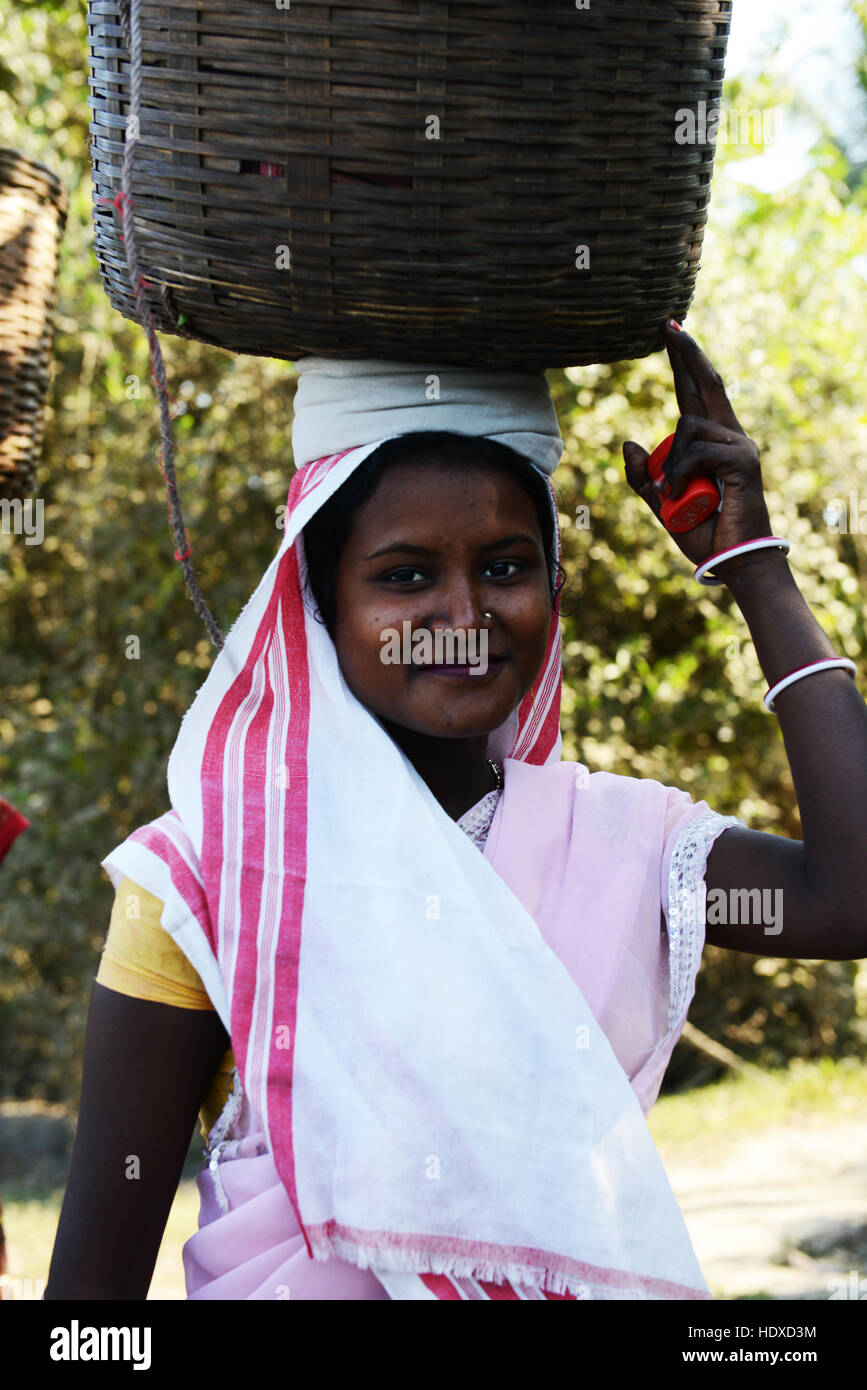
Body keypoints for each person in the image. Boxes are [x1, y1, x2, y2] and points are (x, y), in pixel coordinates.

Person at [45, 322, 867, 1301]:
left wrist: (756, 568)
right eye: (405, 575)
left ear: (555, 589)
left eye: (507, 567)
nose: (464, 614)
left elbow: (850, 897)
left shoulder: (618, 843)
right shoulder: (208, 882)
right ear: (318, 602)